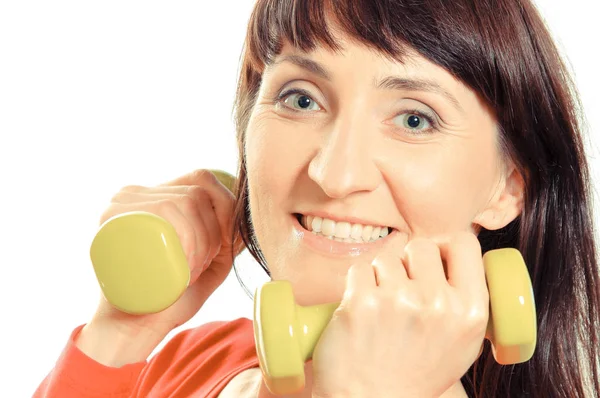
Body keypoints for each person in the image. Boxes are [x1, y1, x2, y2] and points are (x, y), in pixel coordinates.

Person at [34, 0, 600, 396]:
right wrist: (121, 337)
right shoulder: (190, 363)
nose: (334, 172)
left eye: (414, 118)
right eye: (301, 99)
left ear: (507, 187)